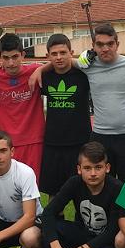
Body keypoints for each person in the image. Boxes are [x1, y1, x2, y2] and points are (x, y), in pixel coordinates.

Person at [33, 23, 125, 182]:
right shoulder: (87, 65)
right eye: (100, 44)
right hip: (100, 137)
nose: (105, 48)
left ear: (117, 44)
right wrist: (39, 69)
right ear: (93, 46)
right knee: (101, 186)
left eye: (110, 44)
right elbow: (62, 60)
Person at [39, 142, 123, 248]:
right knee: (52, 230)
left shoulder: (116, 188)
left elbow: (113, 231)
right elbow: (48, 213)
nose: (93, 173)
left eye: (98, 167)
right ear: (79, 169)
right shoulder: (74, 182)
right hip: (84, 232)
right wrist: (55, 246)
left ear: (107, 168)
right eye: (87, 168)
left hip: (107, 240)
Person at [39, 33, 91, 197]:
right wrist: (40, 69)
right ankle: (53, 217)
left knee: (82, 193)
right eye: (54, 54)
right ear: (48, 56)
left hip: (80, 143)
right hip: (53, 143)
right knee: (54, 195)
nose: (59, 57)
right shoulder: (44, 77)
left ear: (71, 52)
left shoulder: (84, 75)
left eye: (63, 52)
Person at [0, 33, 45, 179]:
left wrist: (40, 70)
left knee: (31, 184)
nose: (11, 62)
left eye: (15, 57)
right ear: (0, 57)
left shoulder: (34, 71)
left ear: (23, 55)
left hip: (33, 140)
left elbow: (57, 64)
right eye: (6, 58)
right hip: (5, 142)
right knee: (7, 185)